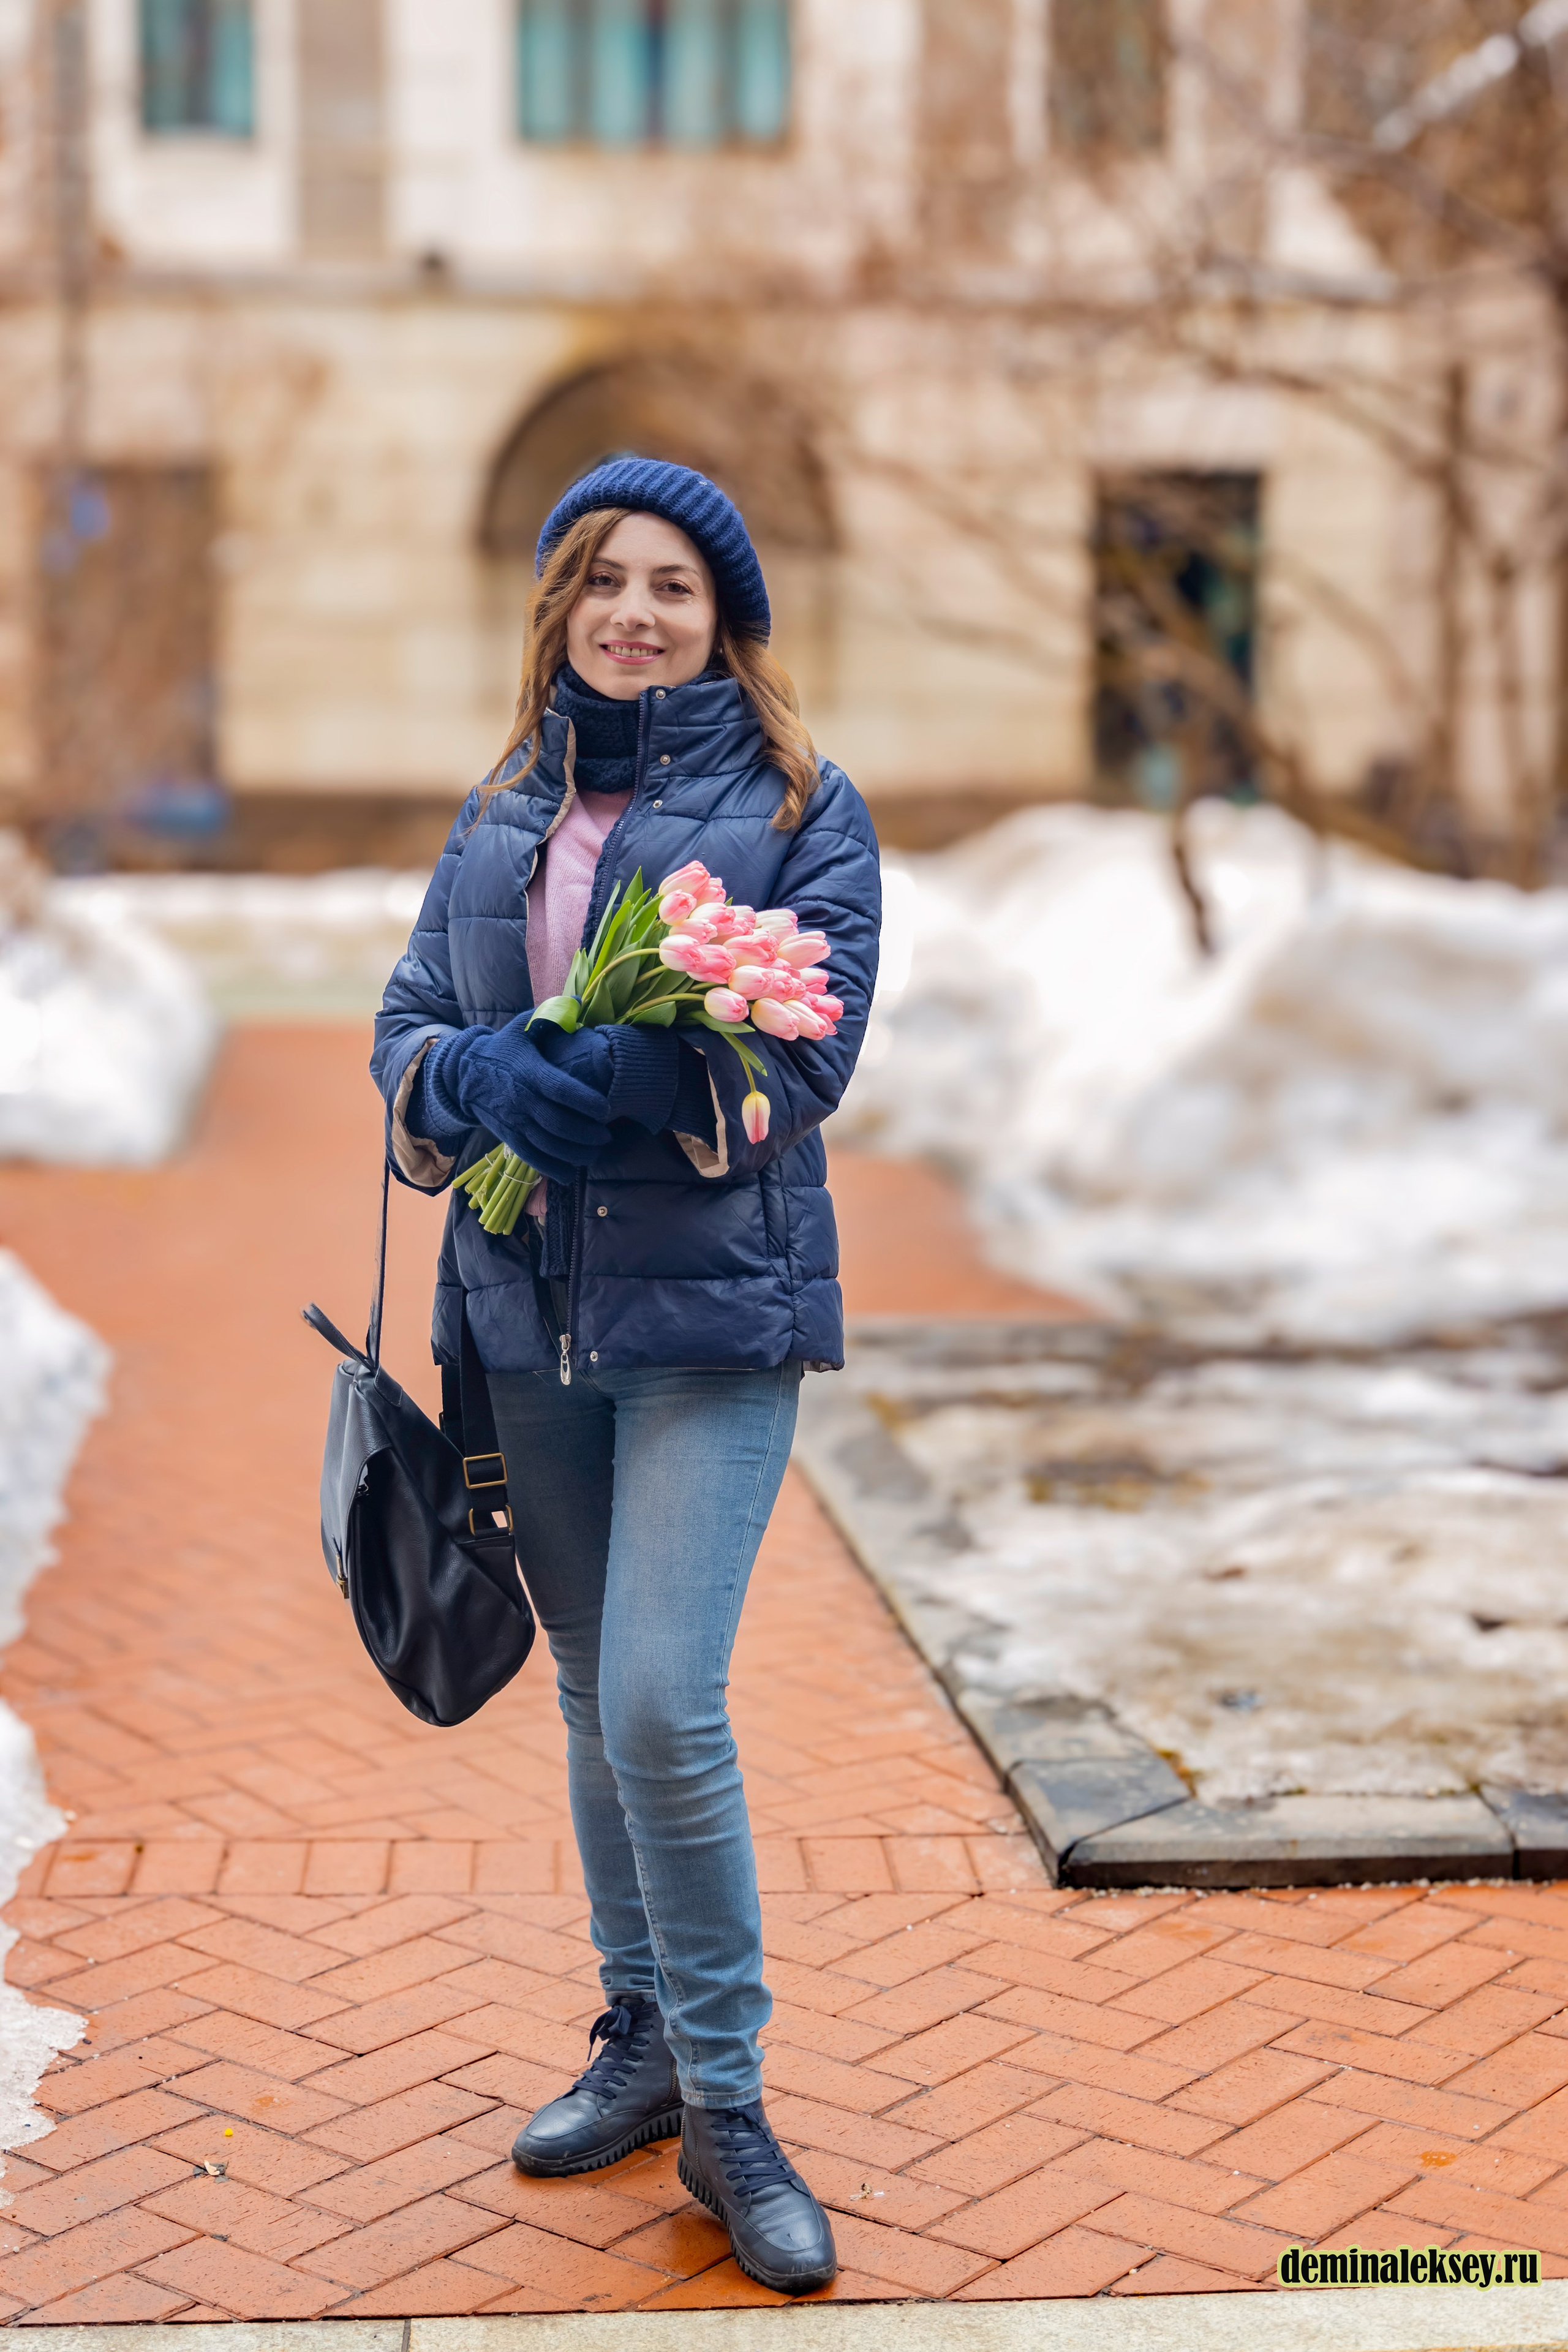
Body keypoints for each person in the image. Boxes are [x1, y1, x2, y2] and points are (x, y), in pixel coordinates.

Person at [371, 456, 880, 2297]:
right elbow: (406, 1027)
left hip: (710, 1322)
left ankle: (735, 2107)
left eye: (674, 584)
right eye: (607, 581)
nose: (637, 612)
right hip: (525, 1317)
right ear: (561, 608)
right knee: (591, 1692)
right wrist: (478, 1084)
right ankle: (643, 2033)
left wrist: (647, 1084)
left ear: (723, 615)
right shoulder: (504, 811)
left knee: (667, 1700)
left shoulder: (805, 806)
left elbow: (802, 1063)